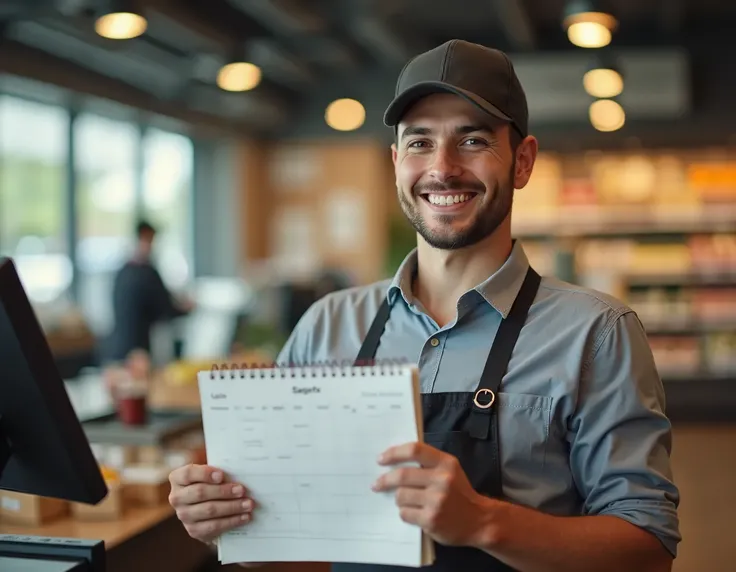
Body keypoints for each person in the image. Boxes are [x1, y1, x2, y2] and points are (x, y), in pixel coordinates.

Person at [168, 40, 681, 571]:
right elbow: (300, 555)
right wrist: (229, 523)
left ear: (522, 161)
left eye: (473, 139)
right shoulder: (327, 325)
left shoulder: (597, 333)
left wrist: (482, 520)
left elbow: (646, 551)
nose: (443, 167)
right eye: (419, 143)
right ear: (396, 163)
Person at [105, 220, 192, 363]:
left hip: (115, 348)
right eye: (150, 240)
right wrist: (187, 308)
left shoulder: (122, 272)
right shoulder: (147, 273)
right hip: (138, 353)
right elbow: (165, 309)